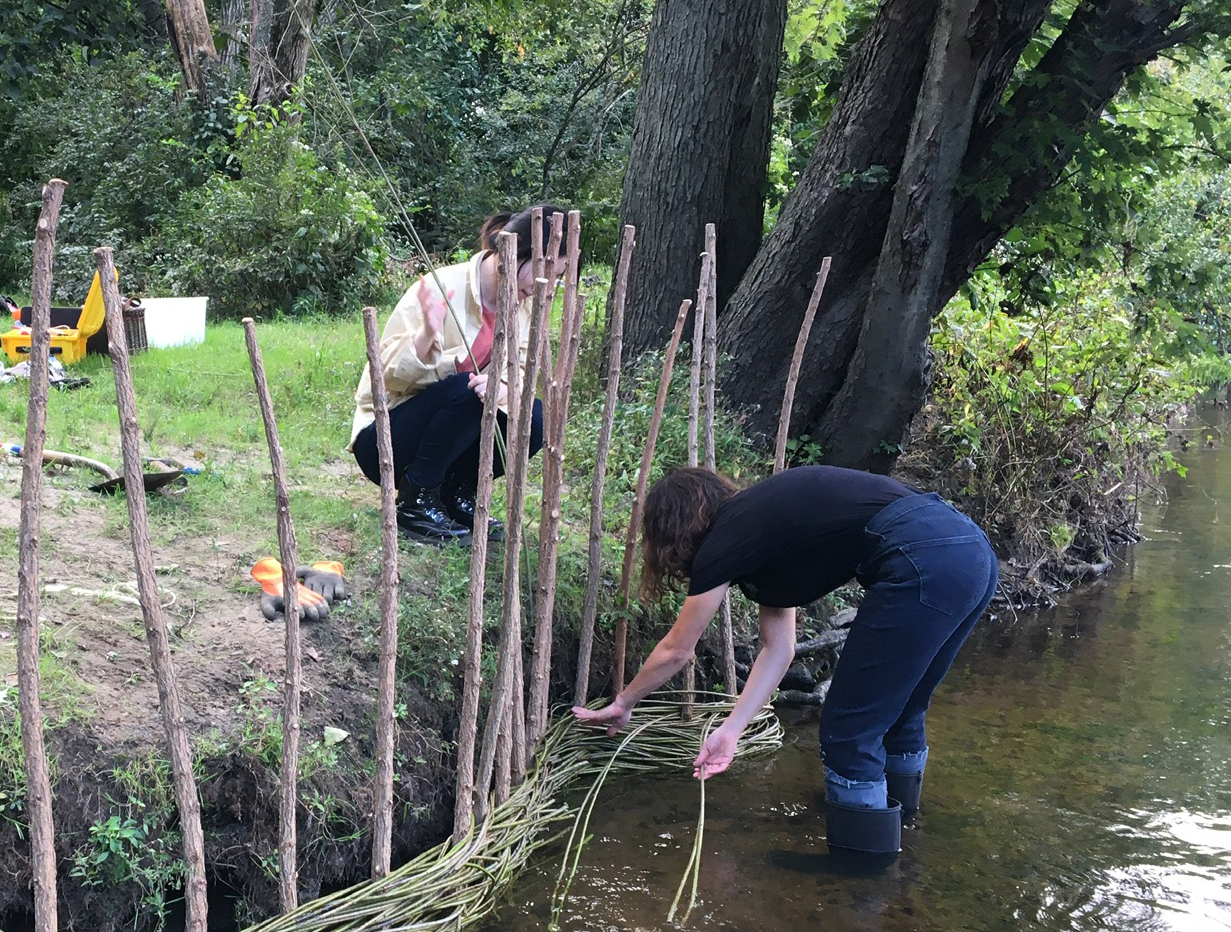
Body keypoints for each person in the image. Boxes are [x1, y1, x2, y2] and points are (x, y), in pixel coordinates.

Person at [572, 465, 998, 855]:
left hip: (922, 560)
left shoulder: (727, 536)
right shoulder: (762, 528)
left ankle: (863, 874)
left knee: (849, 731)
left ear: (675, 528)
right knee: (902, 711)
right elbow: (780, 649)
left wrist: (625, 702)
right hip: (971, 551)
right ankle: (898, 823)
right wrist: (731, 731)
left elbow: (677, 650)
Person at [350, 208, 553, 542]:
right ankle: (416, 502)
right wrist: (427, 334)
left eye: (558, 275)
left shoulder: (525, 306)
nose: (549, 286)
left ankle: (458, 494)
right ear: (515, 254)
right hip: (386, 443)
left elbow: (515, 371)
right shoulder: (441, 286)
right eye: (546, 272)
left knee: (536, 415)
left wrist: (503, 386)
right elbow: (382, 381)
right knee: (467, 387)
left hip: (450, 440)